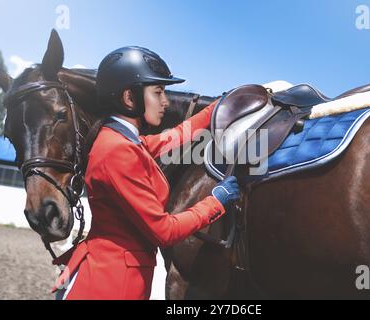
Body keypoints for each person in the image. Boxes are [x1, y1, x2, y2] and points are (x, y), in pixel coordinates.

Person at [52, 46, 240, 300]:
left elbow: (174, 136)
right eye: (158, 92)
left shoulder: (121, 139)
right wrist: (215, 202)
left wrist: (218, 107)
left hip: (111, 275)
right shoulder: (118, 151)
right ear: (130, 99)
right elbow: (164, 231)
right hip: (113, 286)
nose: (166, 101)